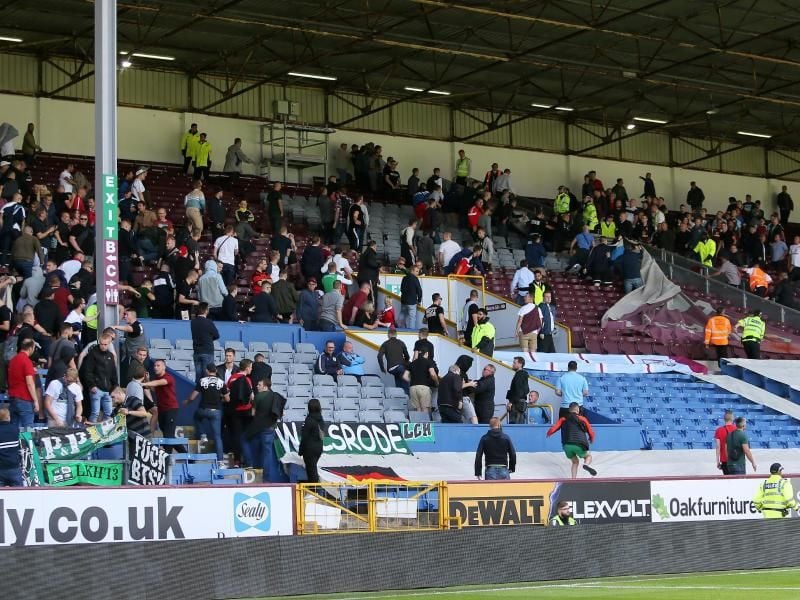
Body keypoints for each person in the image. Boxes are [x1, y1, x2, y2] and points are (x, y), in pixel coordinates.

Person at [143, 359, 186, 453]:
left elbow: (159, 383)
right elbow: (154, 389)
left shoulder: (168, 377)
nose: (155, 367)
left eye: (158, 366)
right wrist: (147, 380)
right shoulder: (156, 379)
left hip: (171, 409)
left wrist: (143, 383)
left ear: (164, 367)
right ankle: (186, 455)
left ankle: (167, 458)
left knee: (168, 435)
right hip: (161, 410)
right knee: (168, 435)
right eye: (154, 366)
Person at [547, 402, 597, 478]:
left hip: (566, 445)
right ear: (578, 410)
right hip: (579, 444)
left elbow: (553, 428)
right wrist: (591, 439)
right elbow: (590, 431)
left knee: (575, 462)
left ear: (569, 410)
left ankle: (573, 479)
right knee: (588, 456)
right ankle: (586, 465)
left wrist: (549, 433)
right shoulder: (582, 418)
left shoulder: (563, 419)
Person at [81, 334, 118, 423]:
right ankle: (90, 433)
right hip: (96, 388)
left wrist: (115, 386)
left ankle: (105, 434)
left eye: (105, 344)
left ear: (109, 344)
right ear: (99, 342)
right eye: (101, 344)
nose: (103, 346)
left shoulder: (111, 356)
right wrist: (92, 385)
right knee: (95, 413)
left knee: (108, 413)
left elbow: (113, 372)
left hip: (108, 390)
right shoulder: (93, 354)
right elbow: (87, 371)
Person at [7, 339, 40, 429]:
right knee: (28, 429)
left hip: (13, 398)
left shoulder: (13, 360)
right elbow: (30, 383)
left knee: (13, 429)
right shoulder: (27, 361)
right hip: (24, 399)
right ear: (31, 348)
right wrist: (36, 401)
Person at [191, 302, 220, 382]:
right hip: (207, 351)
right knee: (208, 376)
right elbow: (217, 335)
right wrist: (209, 338)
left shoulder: (193, 322)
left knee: (198, 377)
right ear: (206, 310)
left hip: (197, 351)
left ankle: (199, 393)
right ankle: (207, 394)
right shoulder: (209, 322)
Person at [299, 398, 325, 483]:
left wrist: (300, 451)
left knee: (311, 472)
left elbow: (305, 437)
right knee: (312, 469)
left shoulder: (309, 420)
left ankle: (313, 492)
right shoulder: (321, 420)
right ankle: (314, 491)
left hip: (309, 449)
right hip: (319, 448)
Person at [408, 348, 438, 415]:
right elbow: (433, 374)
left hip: (413, 388)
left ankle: (419, 424)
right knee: (425, 409)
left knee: (418, 409)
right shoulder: (428, 362)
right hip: (423, 388)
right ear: (426, 353)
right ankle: (425, 424)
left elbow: (405, 376)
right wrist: (437, 382)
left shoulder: (412, 363)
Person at [0, 407, 23, 486]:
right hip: (14, 466)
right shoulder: (15, 429)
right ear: (8, 417)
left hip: (1, 468)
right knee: (19, 494)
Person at [506, 356, 530, 424]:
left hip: (516, 405)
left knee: (514, 425)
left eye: (514, 363)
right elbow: (526, 390)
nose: (513, 364)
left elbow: (518, 391)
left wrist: (511, 402)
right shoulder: (522, 375)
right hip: (520, 404)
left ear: (520, 364)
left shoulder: (519, 375)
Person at [400, 264, 423, 329]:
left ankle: (399, 329)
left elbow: (401, 289)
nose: (418, 273)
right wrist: (419, 300)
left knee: (402, 315)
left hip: (404, 301)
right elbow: (419, 290)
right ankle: (411, 331)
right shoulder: (415, 279)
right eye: (417, 271)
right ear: (412, 271)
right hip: (412, 302)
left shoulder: (404, 278)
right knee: (412, 318)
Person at [714, 410, 737, 475]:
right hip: (736, 459)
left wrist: (717, 461)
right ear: (732, 418)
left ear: (724, 419)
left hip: (724, 459)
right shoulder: (737, 429)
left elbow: (718, 446)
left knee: (728, 481)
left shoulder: (719, 430)